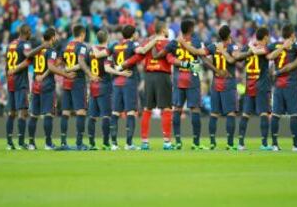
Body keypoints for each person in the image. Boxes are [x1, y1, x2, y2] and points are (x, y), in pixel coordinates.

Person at [179, 25, 239, 150]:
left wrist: (184, 44)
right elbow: (233, 59)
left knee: (214, 113)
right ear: (229, 35)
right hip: (228, 82)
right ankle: (230, 143)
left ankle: (212, 142)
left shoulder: (212, 46)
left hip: (216, 83)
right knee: (231, 113)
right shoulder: (232, 47)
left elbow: (198, 53)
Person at [153, 18, 207, 150]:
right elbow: (203, 58)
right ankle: (196, 143)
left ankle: (177, 141)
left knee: (177, 109)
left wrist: (155, 52)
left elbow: (161, 55)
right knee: (195, 109)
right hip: (192, 79)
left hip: (178, 79)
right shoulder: (196, 41)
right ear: (191, 29)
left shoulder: (174, 43)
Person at [124, 21, 175, 150]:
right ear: (163, 30)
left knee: (147, 109)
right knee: (167, 109)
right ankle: (167, 142)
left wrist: (125, 63)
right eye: (167, 28)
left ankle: (145, 142)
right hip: (163, 76)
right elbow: (170, 59)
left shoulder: (147, 42)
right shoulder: (168, 43)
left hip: (149, 77)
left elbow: (138, 57)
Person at [23, 28, 76, 150]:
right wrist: (66, 74)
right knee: (48, 114)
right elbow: (51, 67)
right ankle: (48, 143)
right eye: (55, 36)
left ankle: (31, 143)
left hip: (36, 83)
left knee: (34, 114)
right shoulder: (51, 51)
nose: (56, 38)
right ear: (52, 37)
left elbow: (32, 62)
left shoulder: (37, 51)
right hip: (47, 85)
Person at [86, 30, 132, 150]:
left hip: (92, 85)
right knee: (106, 116)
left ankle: (91, 143)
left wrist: (90, 75)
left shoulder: (91, 50)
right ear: (107, 38)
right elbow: (107, 69)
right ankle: (106, 143)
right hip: (104, 85)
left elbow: (85, 65)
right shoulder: (107, 52)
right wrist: (120, 72)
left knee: (92, 116)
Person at [5, 24, 47, 150]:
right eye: (30, 32)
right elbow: (29, 55)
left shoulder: (10, 44)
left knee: (11, 113)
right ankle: (21, 143)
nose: (31, 35)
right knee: (22, 113)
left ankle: (9, 143)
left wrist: (8, 73)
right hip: (20, 81)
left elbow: (7, 64)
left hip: (10, 80)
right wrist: (42, 47)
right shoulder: (25, 44)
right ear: (27, 32)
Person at [235, 27, 275, 151]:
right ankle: (264, 143)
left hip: (249, 85)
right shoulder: (265, 48)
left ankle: (240, 143)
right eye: (268, 37)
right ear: (265, 37)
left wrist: (249, 47)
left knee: (246, 114)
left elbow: (237, 58)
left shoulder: (248, 47)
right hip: (261, 85)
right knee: (264, 113)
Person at [265, 24, 297, 151]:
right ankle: (295, 145)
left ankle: (275, 144)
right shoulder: (296, 46)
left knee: (275, 115)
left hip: (278, 85)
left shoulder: (274, 45)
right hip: (290, 84)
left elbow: (267, 56)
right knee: (294, 115)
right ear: (292, 35)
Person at [57, 24, 94, 150]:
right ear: (82, 34)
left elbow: (60, 62)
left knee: (65, 112)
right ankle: (79, 143)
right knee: (81, 111)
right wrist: (90, 74)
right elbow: (81, 61)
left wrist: (66, 69)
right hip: (77, 81)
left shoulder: (66, 46)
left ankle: (63, 142)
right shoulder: (82, 46)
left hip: (66, 80)